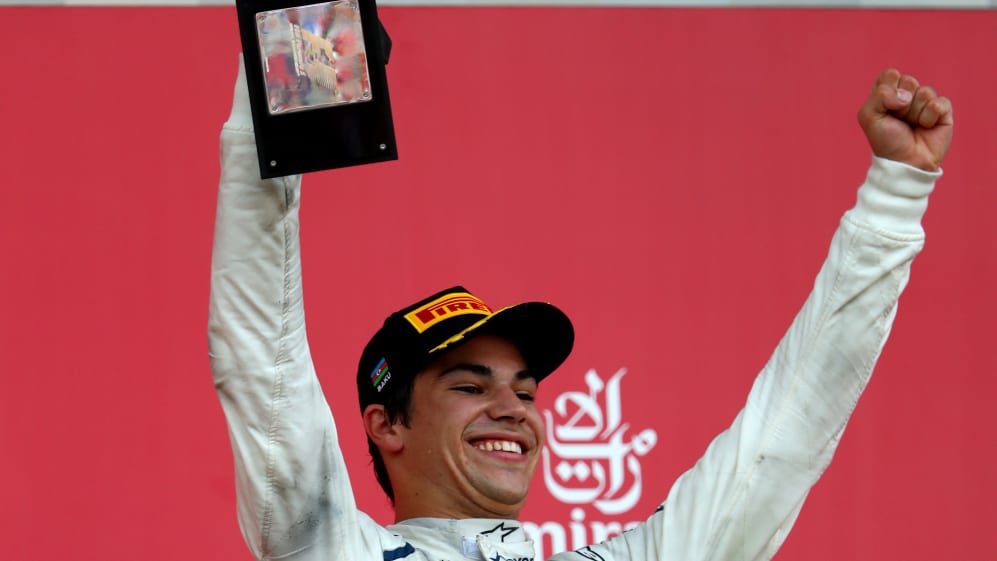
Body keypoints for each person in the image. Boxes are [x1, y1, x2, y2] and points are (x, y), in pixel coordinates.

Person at [208, 55, 953, 561]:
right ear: (387, 424)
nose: (513, 408)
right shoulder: (334, 548)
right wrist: (294, 57)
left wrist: (892, 196)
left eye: (525, 390)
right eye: (470, 385)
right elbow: (258, 355)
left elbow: (784, 435)